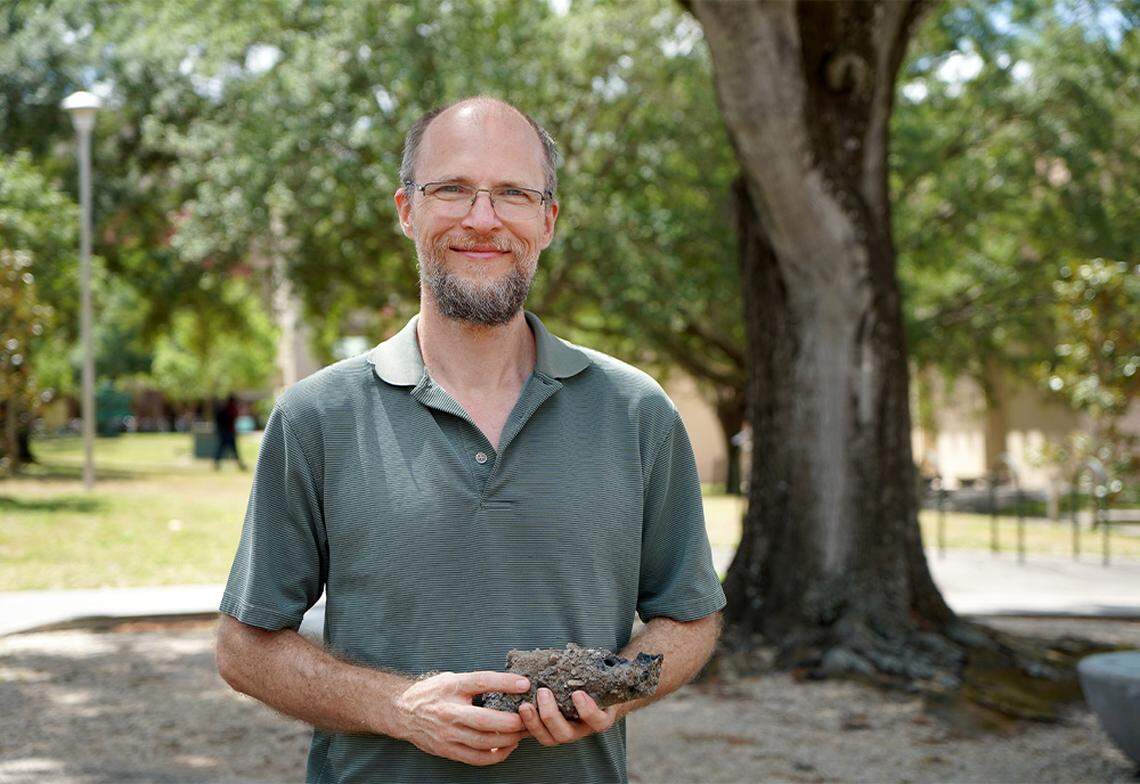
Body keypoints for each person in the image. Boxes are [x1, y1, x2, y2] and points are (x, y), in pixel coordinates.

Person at [215, 95, 726, 784]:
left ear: (547, 221)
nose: (481, 220)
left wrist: (618, 686)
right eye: (451, 189)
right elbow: (244, 648)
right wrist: (399, 706)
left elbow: (691, 621)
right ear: (406, 211)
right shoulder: (317, 416)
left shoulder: (637, 412)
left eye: (512, 194)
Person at [213, 393, 247, 471]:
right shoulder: (228, 410)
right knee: (230, 450)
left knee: (223, 449)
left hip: (227, 433)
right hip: (228, 433)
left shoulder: (226, 409)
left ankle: (217, 464)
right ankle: (240, 465)